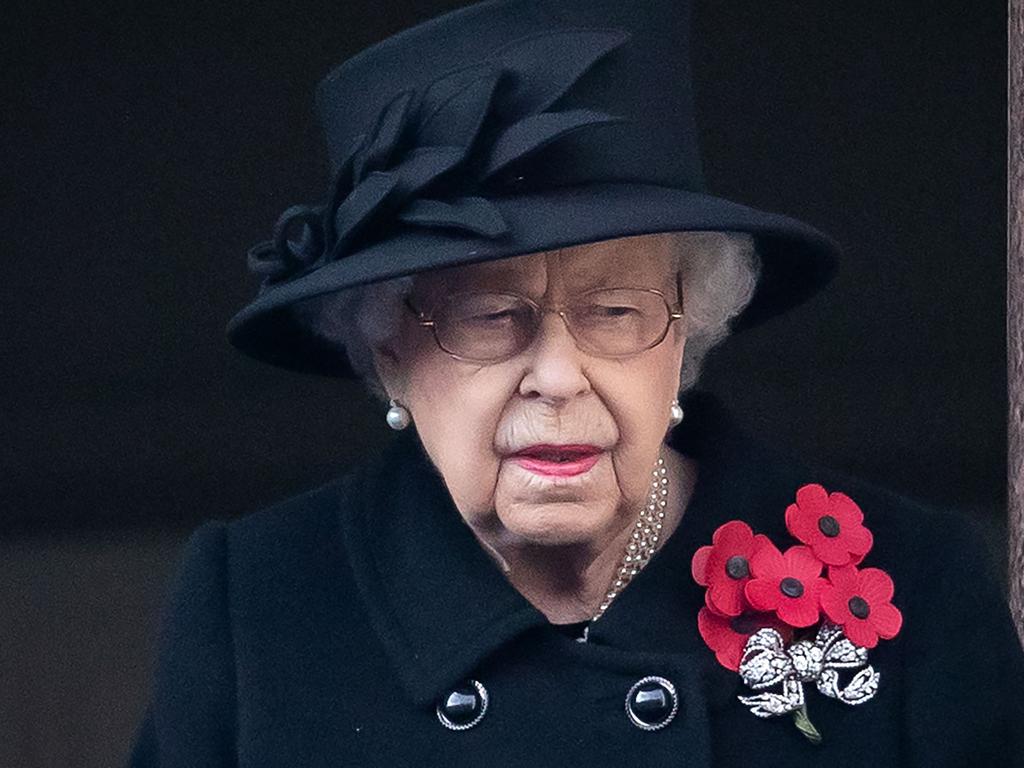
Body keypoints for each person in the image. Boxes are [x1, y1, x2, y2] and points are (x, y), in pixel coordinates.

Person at [128, 0, 1024, 765]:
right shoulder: (256, 605)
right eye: (488, 317)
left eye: (619, 312)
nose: (558, 377)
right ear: (389, 349)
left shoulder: (917, 584)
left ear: (689, 334)